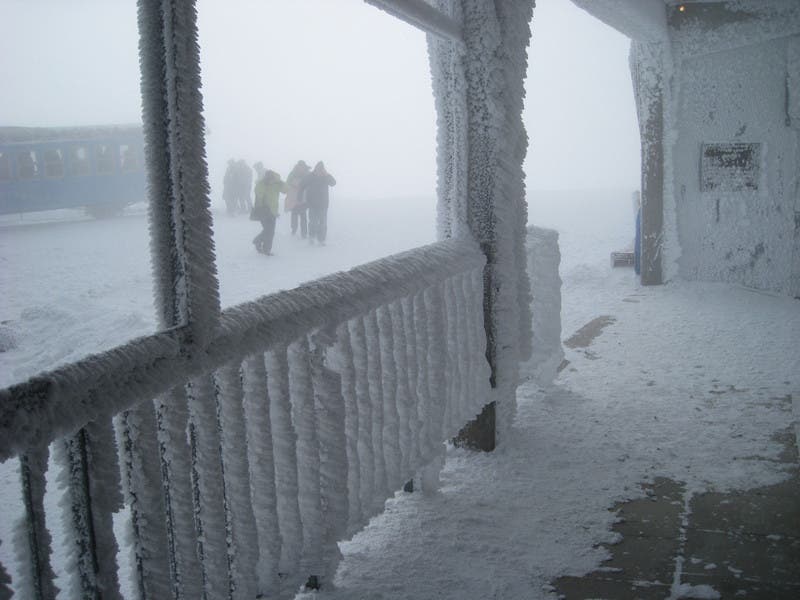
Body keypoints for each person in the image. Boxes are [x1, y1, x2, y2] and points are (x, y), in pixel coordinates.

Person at [298, 161, 336, 245]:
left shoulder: (325, 177)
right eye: (318, 169)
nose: (320, 171)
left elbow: (333, 183)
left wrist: (327, 174)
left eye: (321, 170)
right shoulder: (310, 176)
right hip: (312, 203)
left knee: (322, 223)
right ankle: (311, 237)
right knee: (313, 222)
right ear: (315, 169)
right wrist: (299, 197)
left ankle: (321, 239)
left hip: (323, 204)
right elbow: (301, 185)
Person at [252, 170, 286, 255]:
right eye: (268, 177)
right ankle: (265, 248)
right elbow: (258, 194)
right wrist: (265, 186)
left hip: (273, 211)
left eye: (272, 177)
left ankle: (259, 242)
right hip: (263, 211)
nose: (270, 179)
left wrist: (280, 182)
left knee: (270, 231)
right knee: (269, 231)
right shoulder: (261, 184)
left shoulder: (277, 184)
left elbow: (286, 190)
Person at [284, 160, 310, 238]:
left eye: (302, 166)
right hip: (294, 197)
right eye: (300, 166)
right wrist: (294, 185)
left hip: (303, 197)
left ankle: (304, 232)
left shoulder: (307, 174)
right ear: (298, 166)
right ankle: (294, 229)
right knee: (294, 214)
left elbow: (310, 184)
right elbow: (287, 183)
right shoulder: (293, 173)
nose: (301, 168)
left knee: (303, 215)